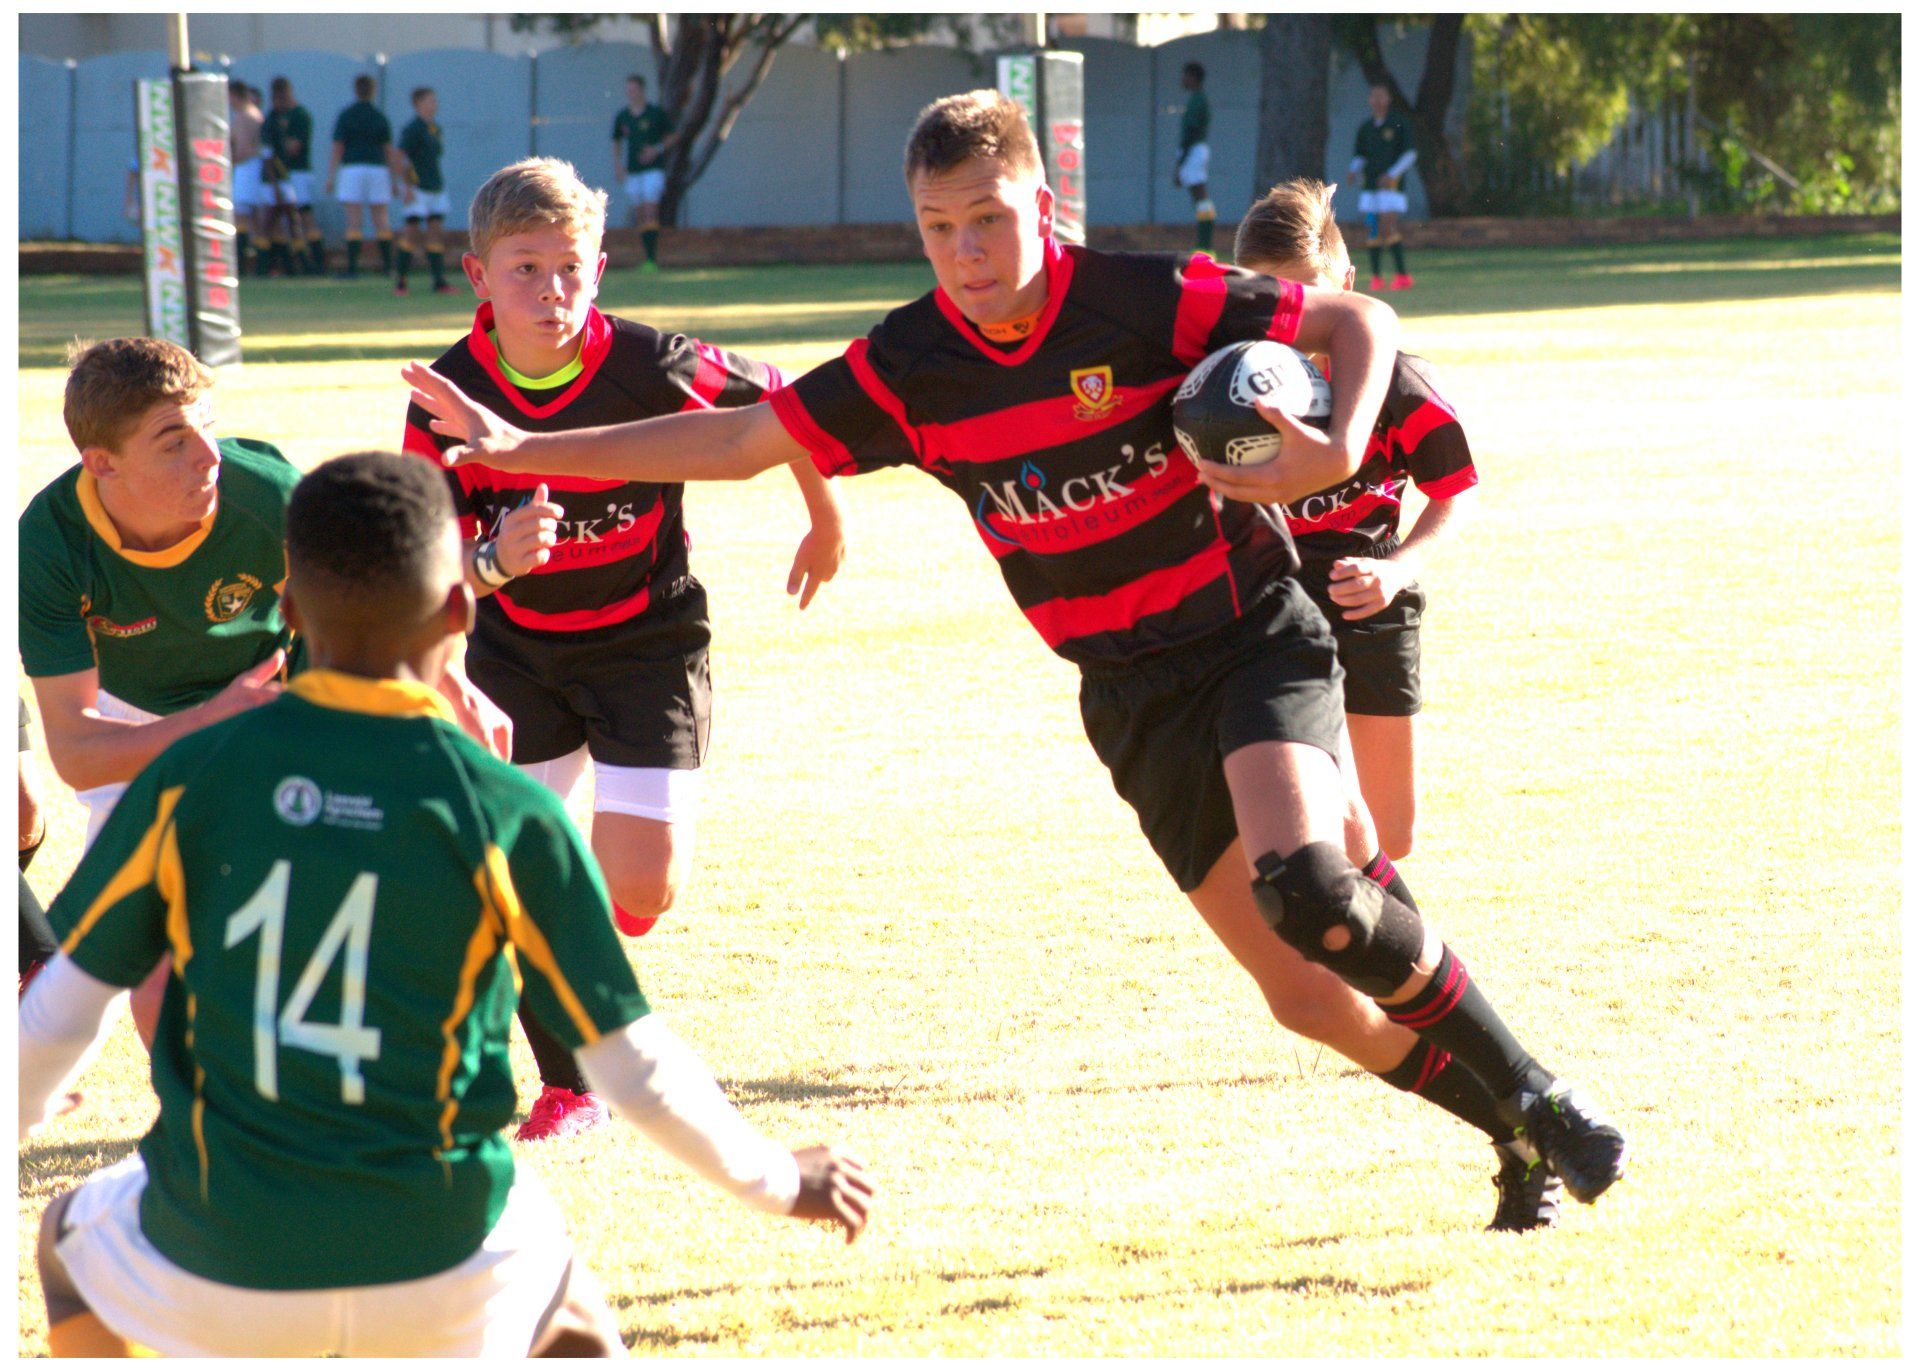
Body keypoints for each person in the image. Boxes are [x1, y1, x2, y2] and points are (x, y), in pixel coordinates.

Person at [405, 91, 1629, 1228]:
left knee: (1310, 888)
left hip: (1251, 637)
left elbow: (1357, 318)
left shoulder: (1145, 300)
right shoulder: (911, 366)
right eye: (939, 229)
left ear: (1043, 206)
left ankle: (1542, 1093)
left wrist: (1339, 445)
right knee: (1308, 997)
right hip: (1128, 696)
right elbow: (738, 439)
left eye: (989, 219)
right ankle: (1511, 1131)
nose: (968, 252)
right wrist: (519, 448)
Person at [21, 451, 874, 1357]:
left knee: (67, 1239)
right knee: (570, 1307)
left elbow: (58, 1017)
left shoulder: (188, 780)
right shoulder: (510, 811)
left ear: (292, 612)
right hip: (448, 1268)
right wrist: (781, 1180)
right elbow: (633, 1065)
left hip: (218, 1259)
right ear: (461, 613)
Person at [402, 157, 845, 1143]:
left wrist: (826, 518)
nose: (550, 291)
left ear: (599, 268)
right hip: (516, 658)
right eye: (525, 269)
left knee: (640, 887)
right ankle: (573, 1083)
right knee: (507, 873)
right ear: (478, 276)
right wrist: (494, 560)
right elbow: (421, 568)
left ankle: (579, 946)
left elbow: (791, 407)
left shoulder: (653, 363)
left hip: (648, 645)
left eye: (570, 268)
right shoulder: (446, 394)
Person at [20, 337, 508, 1046]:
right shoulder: (49, 543)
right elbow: (78, 753)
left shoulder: (262, 493)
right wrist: (210, 721)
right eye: (173, 442)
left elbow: (386, 588)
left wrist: (453, 685)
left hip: (280, 697)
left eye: (208, 427)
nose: (208, 456)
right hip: (141, 726)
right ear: (103, 463)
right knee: (153, 976)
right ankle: (197, 1110)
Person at [1235, 179, 1475, 867]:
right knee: (1297, 828)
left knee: (1389, 835)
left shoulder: (1398, 384)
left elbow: (1454, 491)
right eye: (1268, 300)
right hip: (1266, 606)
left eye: (1309, 297)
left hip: (1365, 597)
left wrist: (1396, 569)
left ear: (1347, 286)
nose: (1290, 320)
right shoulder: (1221, 387)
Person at [327, 73, 401, 280]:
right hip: (378, 169)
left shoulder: (346, 115)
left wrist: (331, 176)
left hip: (352, 169)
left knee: (353, 220)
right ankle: (388, 267)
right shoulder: (379, 116)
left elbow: (338, 147)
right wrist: (394, 180)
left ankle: (352, 268)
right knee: (381, 218)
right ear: (373, 91)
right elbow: (388, 150)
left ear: (355, 90)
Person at [1346, 84, 1417, 292]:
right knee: (1373, 228)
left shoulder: (1398, 123)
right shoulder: (1366, 127)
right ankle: (1376, 277)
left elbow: (1410, 154)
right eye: (1374, 97)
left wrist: (1392, 174)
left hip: (1391, 186)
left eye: (1381, 97)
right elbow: (1360, 155)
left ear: (1388, 100)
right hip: (1370, 185)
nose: (1377, 101)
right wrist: (1353, 170)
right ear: (1370, 100)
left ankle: (1402, 275)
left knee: (1388, 226)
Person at [611, 74, 678, 272]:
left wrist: (656, 149)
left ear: (641, 90)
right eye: (628, 90)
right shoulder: (623, 116)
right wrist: (618, 165)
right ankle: (647, 258)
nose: (630, 93)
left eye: (633, 89)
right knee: (640, 213)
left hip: (653, 171)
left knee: (650, 210)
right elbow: (616, 141)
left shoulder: (655, 113)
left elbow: (673, 136)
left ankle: (652, 259)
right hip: (633, 172)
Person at [395, 86, 456, 296]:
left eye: (434, 100)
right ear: (418, 104)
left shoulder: (435, 128)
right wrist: (406, 187)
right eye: (430, 100)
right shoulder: (413, 128)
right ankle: (401, 282)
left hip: (435, 186)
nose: (434, 104)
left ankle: (439, 282)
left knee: (435, 232)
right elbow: (400, 156)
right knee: (411, 233)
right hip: (418, 188)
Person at [263, 76, 322, 275]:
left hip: (298, 172)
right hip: (278, 176)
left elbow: (293, 147)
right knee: (279, 217)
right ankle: (288, 264)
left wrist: (280, 146)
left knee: (303, 214)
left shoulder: (300, 115)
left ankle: (316, 262)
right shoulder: (272, 117)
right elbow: (267, 149)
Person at [1173, 61, 1214, 254]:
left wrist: (1180, 163)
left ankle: (1205, 244)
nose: (1182, 79)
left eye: (1185, 75)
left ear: (1193, 77)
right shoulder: (1196, 99)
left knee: (1200, 195)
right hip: (1194, 150)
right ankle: (1203, 242)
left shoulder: (1198, 100)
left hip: (1194, 151)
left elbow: (1191, 130)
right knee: (1198, 197)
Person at [226, 81, 266, 276]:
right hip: (254, 169)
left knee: (241, 217)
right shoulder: (254, 113)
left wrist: (226, 162)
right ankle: (260, 265)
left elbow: (243, 150)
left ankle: (241, 265)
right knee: (256, 220)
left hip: (247, 170)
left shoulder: (244, 117)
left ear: (234, 95)